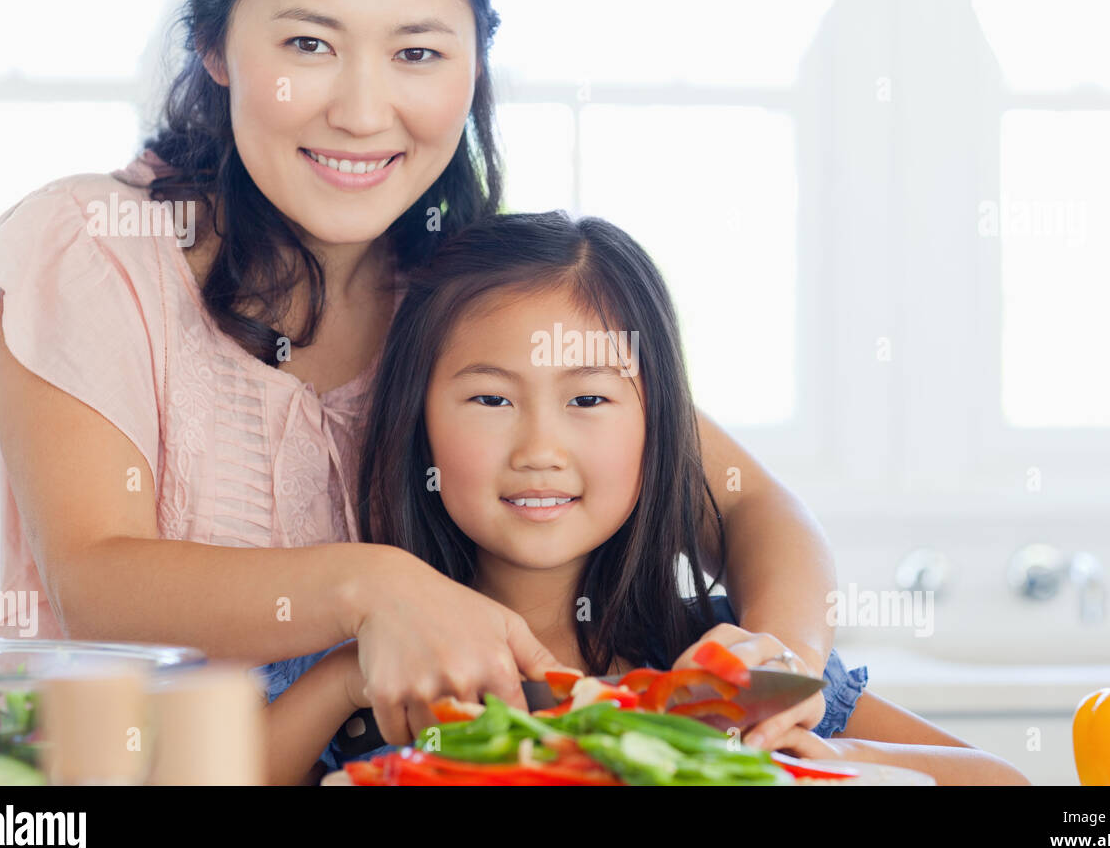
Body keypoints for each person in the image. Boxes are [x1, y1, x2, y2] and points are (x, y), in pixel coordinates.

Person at [0, 0, 835, 765]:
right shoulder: (96, 248)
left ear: (475, 61)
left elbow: (747, 502)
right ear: (213, 45)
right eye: (309, 46)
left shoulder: (464, 297)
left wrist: (777, 665)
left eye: (417, 53)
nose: (364, 114)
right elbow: (98, 581)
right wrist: (370, 589)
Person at [264, 211, 1030, 785]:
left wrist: (819, 761)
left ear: (658, 429)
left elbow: (1008, 781)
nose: (539, 449)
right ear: (416, 420)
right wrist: (344, 678)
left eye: (590, 401)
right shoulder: (378, 677)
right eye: (491, 401)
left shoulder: (720, 667)